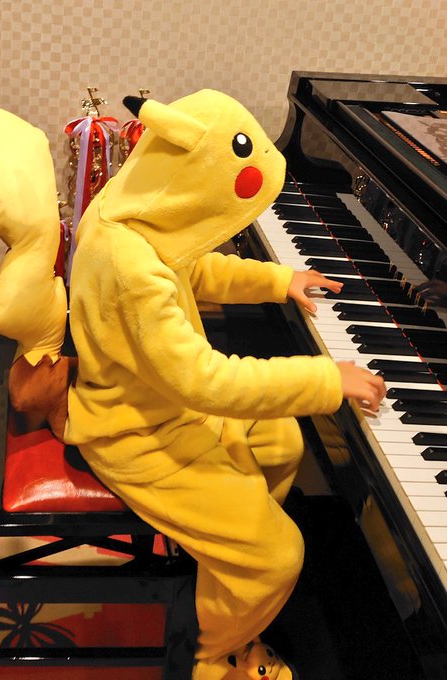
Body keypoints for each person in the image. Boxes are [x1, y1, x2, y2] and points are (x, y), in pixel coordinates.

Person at [65, 89, 386, 680]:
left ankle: (227, 565)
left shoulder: (131, 214)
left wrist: (277, 280)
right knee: (279, 557)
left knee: (282, 443)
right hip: (134, 431)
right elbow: (205, 381)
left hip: (162, 403)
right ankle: (211, 653)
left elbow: (194, 267)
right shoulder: (128, 267)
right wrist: (325, 379)